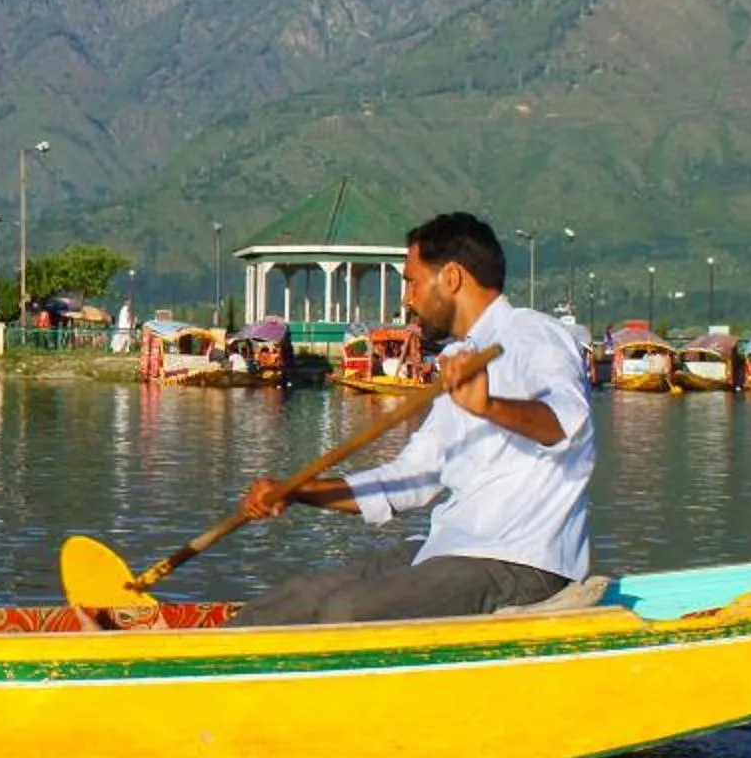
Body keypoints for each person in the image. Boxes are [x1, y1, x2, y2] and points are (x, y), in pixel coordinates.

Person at [232, 212, 594, 625]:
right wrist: (298, 492)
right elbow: (410, 480)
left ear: (452, 278)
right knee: (290, 602)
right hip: (445, 550)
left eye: (412, 281)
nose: (407, 298)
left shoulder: (531, 336)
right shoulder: (458, 362)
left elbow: (570, 425)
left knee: (346, 612)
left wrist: (489, 407)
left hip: (520, 561)